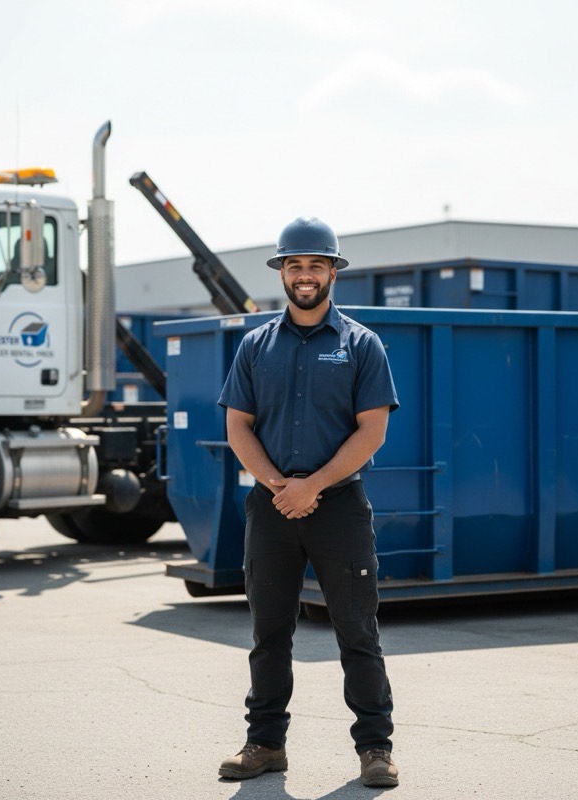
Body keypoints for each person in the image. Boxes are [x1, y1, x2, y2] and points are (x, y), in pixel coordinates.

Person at [217, 217, 400, 788]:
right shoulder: (255, 345)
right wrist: (279, 486)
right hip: (271, 508)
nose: (304, 275)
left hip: (339, 506)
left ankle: (375, 749)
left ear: (332, 272)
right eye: (294, 265)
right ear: (282, 272)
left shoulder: (361, 345)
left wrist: (313, 485)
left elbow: (372, 432)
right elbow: (238, 427)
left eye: (315, 265)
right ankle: (265, 744)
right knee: (269, 632)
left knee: (357, 630)